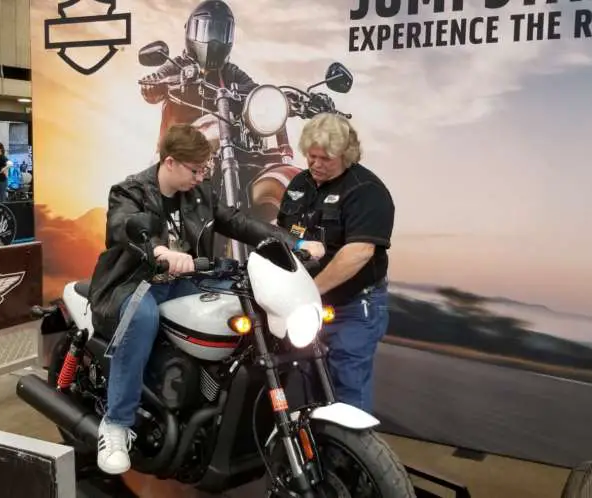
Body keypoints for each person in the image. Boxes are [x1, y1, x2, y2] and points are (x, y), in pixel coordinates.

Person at [87, 123, 324, 475]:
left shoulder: (200, 194)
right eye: (195, 170)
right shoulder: (130, 191)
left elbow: (239, 222)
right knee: (142, 318)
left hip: (185, 280)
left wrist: (293, 244)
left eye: (205, 170)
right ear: (170, 162)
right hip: (134, 283)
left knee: (243, 304)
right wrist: (158, 249)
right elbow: (126, 225)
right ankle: (117, 424)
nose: (201, 177)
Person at [276, 113, 395, 415]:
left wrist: (311, 291)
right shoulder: (299, 185)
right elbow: (284, 236)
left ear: (346, 155)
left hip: (352, 307)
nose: (315, 164)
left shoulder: (367, 191)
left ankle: (350, 459)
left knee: (346, 389)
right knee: (307, 387)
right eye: (310, 156)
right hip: (305, 307)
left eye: (324, 158)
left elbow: (359, 252)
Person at [139, 0, 257, 145]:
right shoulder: (176, 66)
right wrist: (153, 84)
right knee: (156, 164)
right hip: (177, 148)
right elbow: (153, 91)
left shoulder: (230, 72)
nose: (214, 40)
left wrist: (277, 99)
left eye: (220, 32)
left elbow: (255, 91)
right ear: (190, 31)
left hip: (224, 146)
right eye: (206, 30)